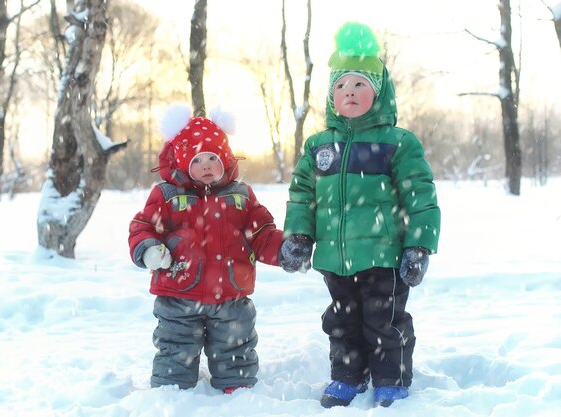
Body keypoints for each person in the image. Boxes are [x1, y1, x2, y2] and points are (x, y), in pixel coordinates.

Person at [279, 22, 441, 408]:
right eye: (340, 86)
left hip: (384, 256)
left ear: (379, 92)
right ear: (331, 96)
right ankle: (347, 375)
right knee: (342, 322)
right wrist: (299, 236)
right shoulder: (318, 145)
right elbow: (302, 195)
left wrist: (419, 245)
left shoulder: (397, 143)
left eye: (359, 85)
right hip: (335, 258)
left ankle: (391, 378)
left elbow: (421, 195)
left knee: (383, 322)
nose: (348, 92)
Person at [128, 104, 284, 394]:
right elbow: (142, 226)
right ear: (183, 162)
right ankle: (172, 389)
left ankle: (235, 386)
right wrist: (149, 249)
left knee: (235, 342)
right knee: (176, 344)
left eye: (213, 157)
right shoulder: (167, 195)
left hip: (231, 294)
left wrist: (283, 249)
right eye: (198, 159)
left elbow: (262, 232)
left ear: (225, 158)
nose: (208, 165)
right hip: (178, 293)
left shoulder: (241, 195)